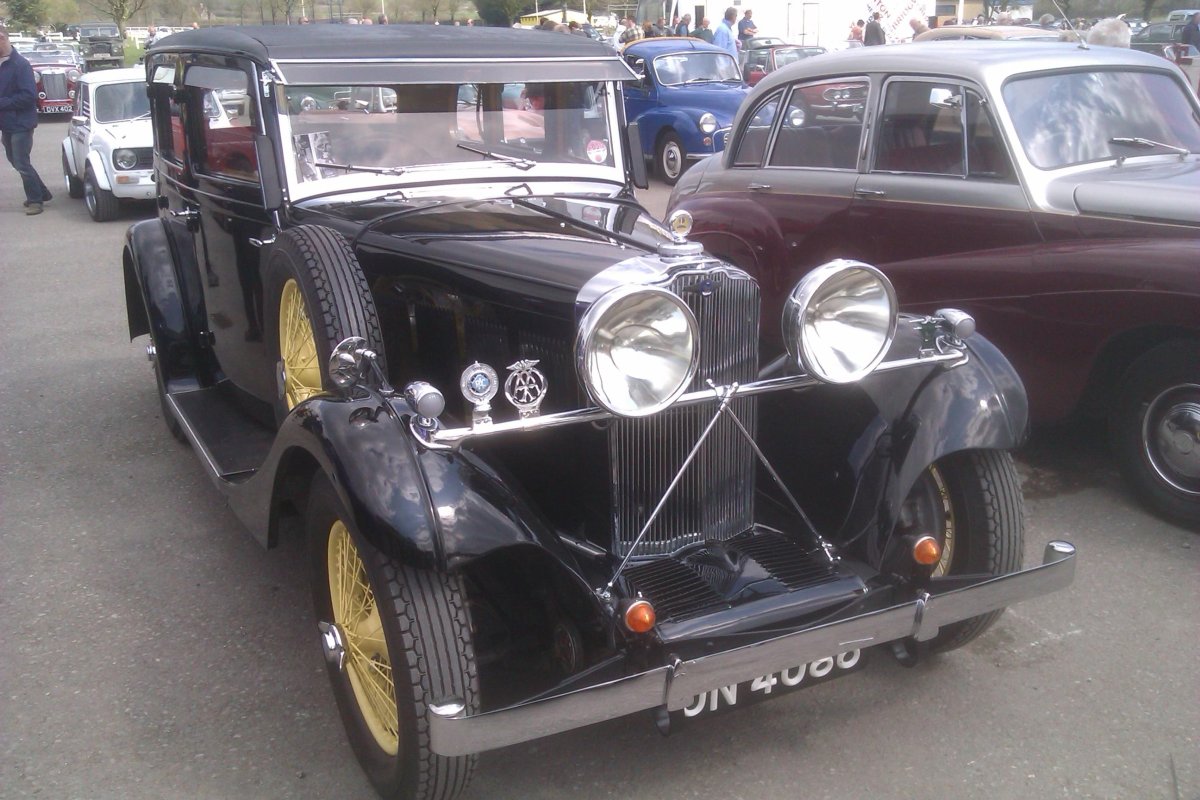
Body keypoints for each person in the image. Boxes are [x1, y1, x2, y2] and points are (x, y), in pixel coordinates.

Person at [0, 27, 52, 215]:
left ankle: (35, 201)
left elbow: (29, 96)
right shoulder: (2, 64)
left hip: (22, 122)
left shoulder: (20, 65)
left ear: (3, 39)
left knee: (21, 162)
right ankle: (42, 192)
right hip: (7, 123)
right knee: (15, 160)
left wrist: (2, 103)